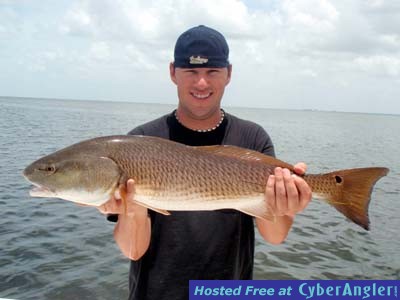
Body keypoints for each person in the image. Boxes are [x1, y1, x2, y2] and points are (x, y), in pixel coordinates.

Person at [98, 25, 312, 300]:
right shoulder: (141, 141)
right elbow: (133, 250)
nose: (202, 83)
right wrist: (130, 210)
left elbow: (275, 236)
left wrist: (285, 205)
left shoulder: (252, 137)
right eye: (191, 72)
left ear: (229, 74)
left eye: (212, 72)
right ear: (173, 72)